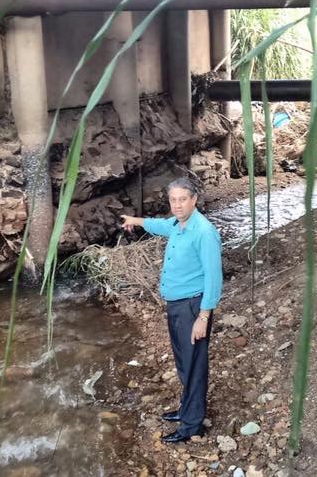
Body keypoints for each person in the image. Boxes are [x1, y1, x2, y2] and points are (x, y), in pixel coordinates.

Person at [120, 177, 223, 444]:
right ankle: (186, 409)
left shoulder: (203, 231)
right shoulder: (178, 224)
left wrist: (203, 316)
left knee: (194, 365)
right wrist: (136, 220)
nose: (176, 205)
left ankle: (192, 426)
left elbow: (214, 277)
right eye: (173, 200)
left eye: (182, 200)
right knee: (183, 362)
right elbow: (161, 225)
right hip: (177, 305)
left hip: (192, 307)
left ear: (194, 200)